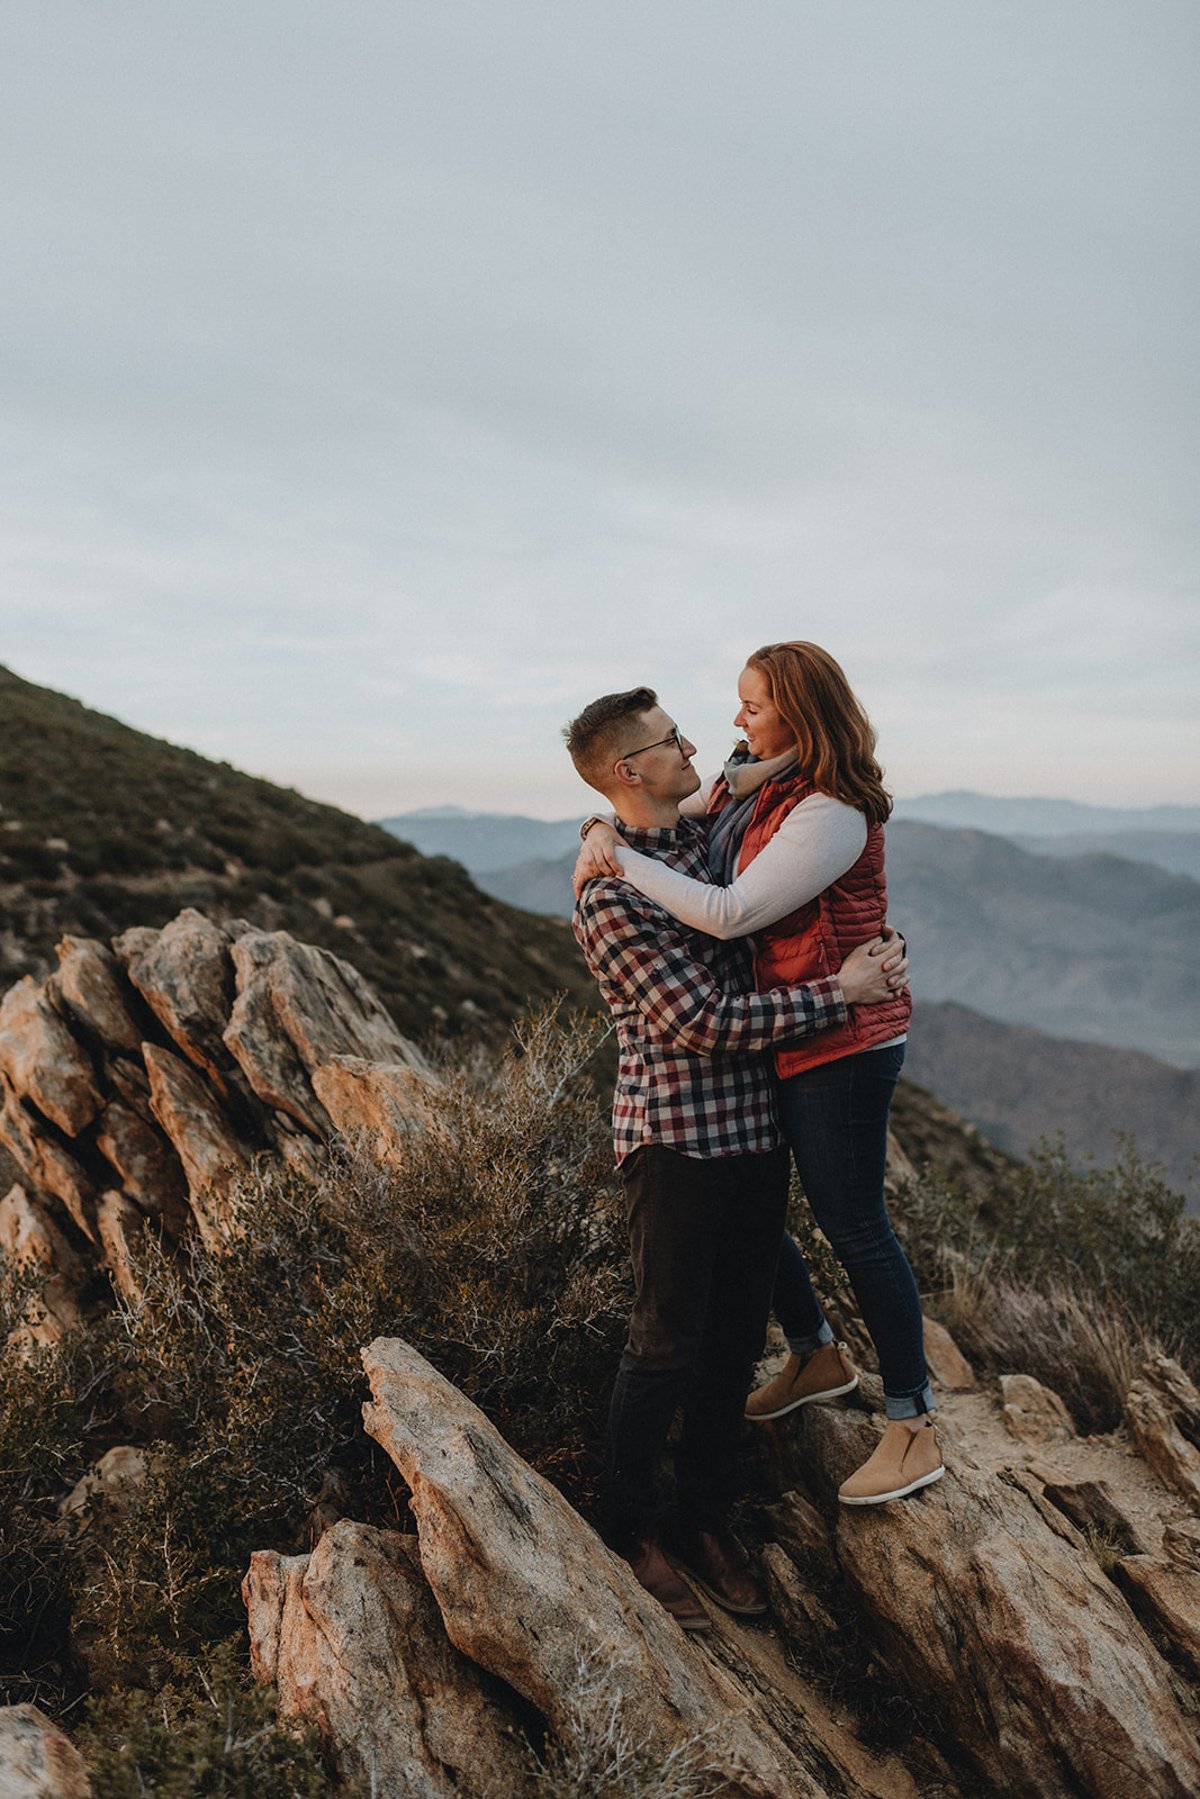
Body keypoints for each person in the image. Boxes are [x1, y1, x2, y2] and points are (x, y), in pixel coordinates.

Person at [564, 685, 907, 1631]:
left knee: (729, 1347)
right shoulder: (608, 893)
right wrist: (840, 994)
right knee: (663, 1343)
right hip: (674, 1139)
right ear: (630, 770)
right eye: (670, 740)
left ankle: (702, 1517)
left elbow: (770, 799)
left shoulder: (698, 837)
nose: (693, 746)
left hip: (753, 1134)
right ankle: (632, 1530)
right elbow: (699, 1020)